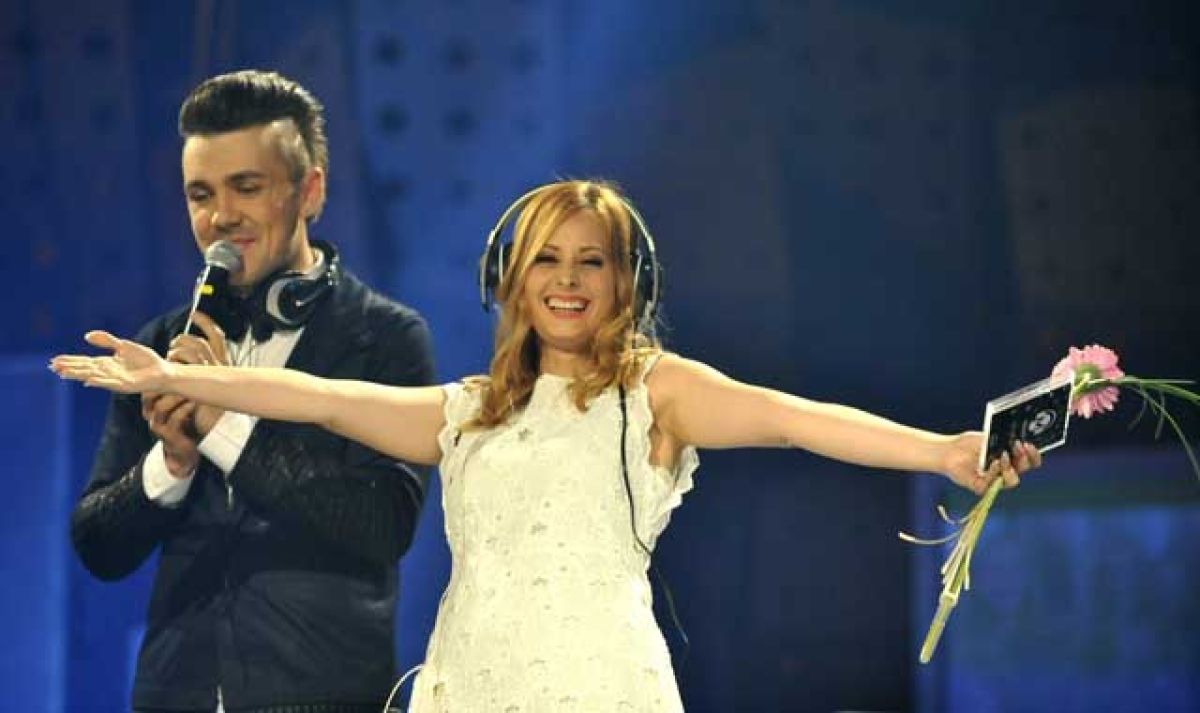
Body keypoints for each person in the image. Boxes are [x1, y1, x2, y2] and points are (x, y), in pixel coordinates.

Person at [54, 179, 1039, 713]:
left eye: (590, 261)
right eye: (546, 261)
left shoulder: (657, 392)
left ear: (625, 281)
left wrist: (945, 450)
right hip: (470, 685)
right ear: (512, 279)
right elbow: (318, 397)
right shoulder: (467, 411)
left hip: (601, 686)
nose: (567, 281)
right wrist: (177, 377)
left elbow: (793, 417)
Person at [66, 70, 435, 713]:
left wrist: (221, 423)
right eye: (200, 194)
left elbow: (383, 526)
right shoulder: (164, 345)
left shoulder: (383, 337)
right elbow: (99, 548)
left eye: (247, 187)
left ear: (310, 191)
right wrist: (172, 462)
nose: (220, 217)